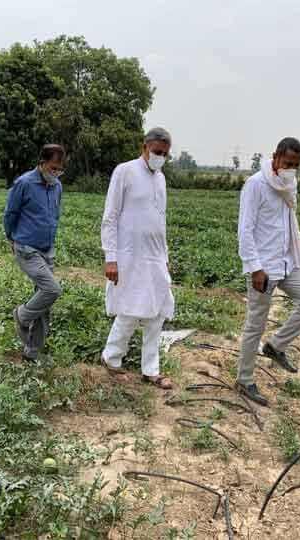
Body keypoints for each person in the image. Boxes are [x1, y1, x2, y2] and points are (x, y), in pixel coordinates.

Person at [236, 137, 300, 406]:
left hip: (288, 262)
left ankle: (276, 345)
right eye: (287, 163)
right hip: (264, 268)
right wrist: (254, 268)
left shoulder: (289, 183)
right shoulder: (255, 185)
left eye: (296, 165)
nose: (291, 169)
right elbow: (245, 230)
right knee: (255, 324)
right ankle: (244, 380)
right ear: (275, 157)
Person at [100, 127, 175, 389]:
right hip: (129, 255)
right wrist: (111, 257)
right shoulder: (125, 171)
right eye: (157, 152)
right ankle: (112, 359)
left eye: (165, 154)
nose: (160, 157)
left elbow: (160, 220)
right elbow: (110, 217)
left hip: (155, 256)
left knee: (157, 312)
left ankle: (151, 370)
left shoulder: (161, 179)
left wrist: (165, 255)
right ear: (144, 147)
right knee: (130, 309)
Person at [4, 144, 65, 361]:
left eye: (59, 169)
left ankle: (32, 351)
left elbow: (54, 215)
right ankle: (21, 315)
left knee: (44, 303)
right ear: (42, 162)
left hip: (47, 249)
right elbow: (10, 213)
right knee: (52, 290)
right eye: (53, 167)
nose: (56, 172)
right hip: (27, 248)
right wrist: (11, 237)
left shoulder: (57, 186)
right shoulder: (24, 183)